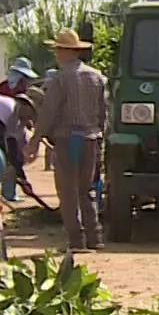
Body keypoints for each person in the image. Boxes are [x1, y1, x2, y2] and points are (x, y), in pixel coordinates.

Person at [33, 29, 107, 252]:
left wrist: (35, 139)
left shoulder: (60, 78)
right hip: (90, 140)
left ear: (63, 52)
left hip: (68, 140)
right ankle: (95, 237)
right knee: (86, 190)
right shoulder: (96, 76)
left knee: (67, 191)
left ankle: (76, 240)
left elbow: (49, 112)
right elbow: (104, 113)